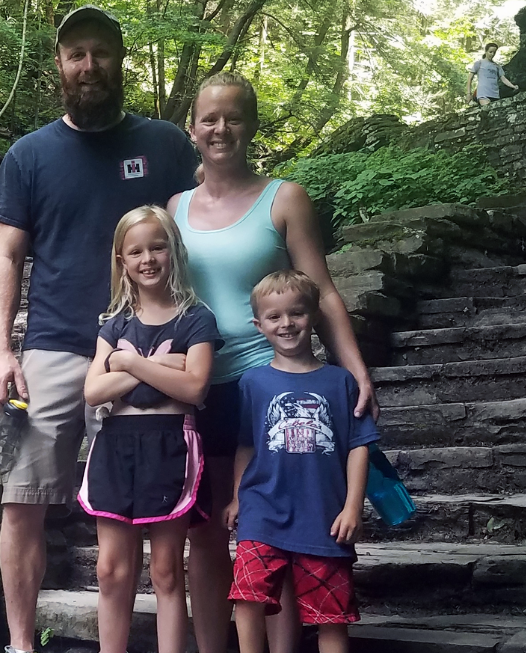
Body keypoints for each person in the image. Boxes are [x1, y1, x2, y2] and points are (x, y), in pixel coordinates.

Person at [0, 6, 198, 652]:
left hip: (150, 349)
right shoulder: (29, 155)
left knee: (164, 506)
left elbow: (197, 236)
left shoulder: (164, 146)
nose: (89, 65)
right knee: (22, 498)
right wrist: (0, 350)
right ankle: (22, 644)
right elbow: (6, 256)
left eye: (100, 52)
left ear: (120, 58)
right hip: (54, 346)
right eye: (76, 53)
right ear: (59, 65)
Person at [167, 71, 379, 653]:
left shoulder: (284, 197)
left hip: (271, 380)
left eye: (234, 117)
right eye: (209, 118)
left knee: (283, 528)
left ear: (252, 126)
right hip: (199, 380)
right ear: (193, 128)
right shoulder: (176, 207)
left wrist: (354, 366)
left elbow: (324, 290)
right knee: (207, 529)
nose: (221, 128)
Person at [81, 206, 222, 653]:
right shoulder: (114, 323)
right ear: (122, 260)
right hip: (116, 446)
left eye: (157, 247)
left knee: (165, 569)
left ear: (174, 251)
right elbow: (93, 391)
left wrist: (128, 364)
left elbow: (195, 387)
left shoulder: (196, 318)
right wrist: (158, 366)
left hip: (171, 445)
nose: (148, 258)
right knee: (110, 568)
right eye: (136, 250)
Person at [222, 270, 378, 653]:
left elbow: (360, 445)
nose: (287, 324)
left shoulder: (341, 382)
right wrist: (238, 497)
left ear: (314, 317)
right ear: (258, 325)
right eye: (274, 317)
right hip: (263, 509)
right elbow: (246, 444)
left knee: (331, 613)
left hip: (322, 515)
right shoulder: (252, 382)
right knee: (248, 594)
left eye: (297, 313)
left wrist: (352, 507)